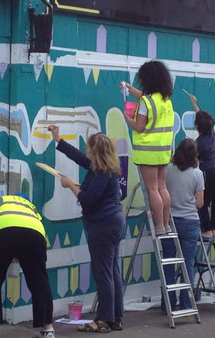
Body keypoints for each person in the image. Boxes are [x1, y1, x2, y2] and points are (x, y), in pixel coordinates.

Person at [48, 126, 125, 333]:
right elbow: (79, 157)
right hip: (114, 222)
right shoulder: (105, 167)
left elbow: (88, 200)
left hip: (103, 224)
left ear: (96, 151)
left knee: (103, 273)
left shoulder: (101, 173)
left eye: (89, 148)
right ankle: (116, 317)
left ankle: (103, 320)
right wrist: (59, 140)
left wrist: (70, 186)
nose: (87, 151)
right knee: (112, 271)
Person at [0, 193, 55, 338]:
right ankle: (48, 330)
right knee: (40, 282)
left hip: (2, 233)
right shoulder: (30, 208)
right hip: (35, 236)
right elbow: (37, 238)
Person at [122, 60, 174, 235]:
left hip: (147, 151)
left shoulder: (146, 102)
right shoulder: (165, 100)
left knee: (152, 189)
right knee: (162, 187)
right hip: (163, 151)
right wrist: (129, 88)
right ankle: (166, 224)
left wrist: (128, 118)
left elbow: (139, 127)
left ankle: (158, 226)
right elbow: (145, 98)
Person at [161, 138, 204, 310]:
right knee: (187, 264)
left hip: (169, 220)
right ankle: (186, 304)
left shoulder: (168, 170)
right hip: (190, 221)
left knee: (168, 263)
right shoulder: (197, 173)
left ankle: (168, 305)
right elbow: (200, 203)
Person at [188, 94, 215, 239]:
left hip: (208, 173)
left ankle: (207, 230)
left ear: (197, 126)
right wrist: (194, 104)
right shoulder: (211, 133)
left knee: (202, 203)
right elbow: (202, 117)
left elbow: (191, 159)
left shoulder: (199, 143)